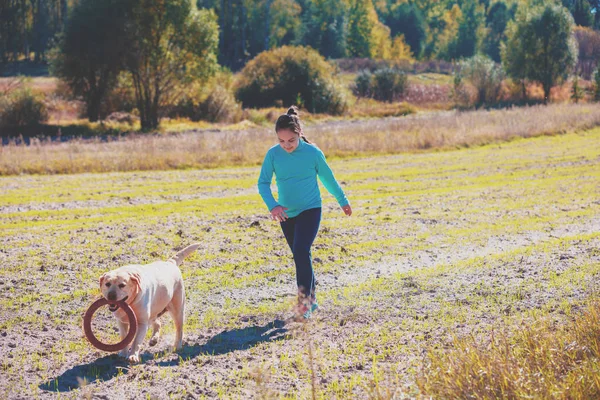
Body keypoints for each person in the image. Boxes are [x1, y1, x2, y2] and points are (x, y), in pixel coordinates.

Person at [257, 106, 352, 320]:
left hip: (311, 209)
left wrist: (342, 201)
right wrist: (273, 205)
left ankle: (305, 304)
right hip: (286, 214)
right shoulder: (273, 155)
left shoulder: (312, 153)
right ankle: (313, 300)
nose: (286, 145)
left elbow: (328, 179)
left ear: (299, 133)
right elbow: (263, 183)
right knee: (301, 256)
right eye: (281, 141)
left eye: (290, 140)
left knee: (301, 249)